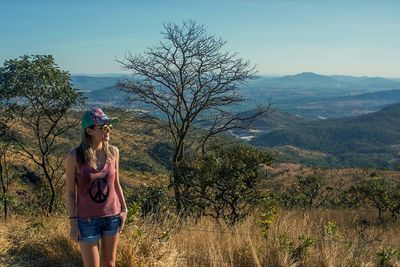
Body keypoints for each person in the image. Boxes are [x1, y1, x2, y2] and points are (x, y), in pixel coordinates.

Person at [66, 107, 127, 267]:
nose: (108, 130)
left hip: (112, 217)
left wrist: (124, 210)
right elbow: (70, 193)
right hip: (86, 220)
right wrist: (73, 223)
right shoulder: (75, 156)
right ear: (89, 131)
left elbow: (116, 183)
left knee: (109, 263)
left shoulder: (114, 152)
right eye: (103, 127)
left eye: (109, 126)